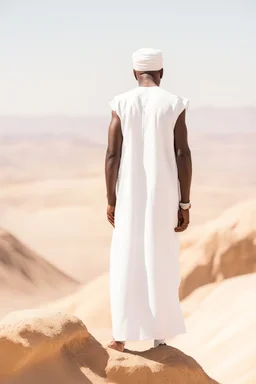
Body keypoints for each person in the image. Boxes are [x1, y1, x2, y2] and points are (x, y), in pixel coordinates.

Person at [105, 48, 192, 352]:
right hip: (164, 193)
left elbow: (113, 154)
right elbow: (182, 153)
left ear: (134, 73)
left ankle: (120, 336)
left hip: (128, 193)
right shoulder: (174, 103)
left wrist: (111, 199)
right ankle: (159, 337)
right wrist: (185, 203)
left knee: (126, 257)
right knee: (161, 256)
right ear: (161, 73)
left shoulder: (120, 103)